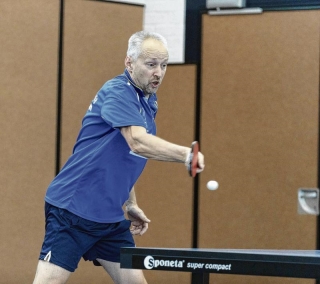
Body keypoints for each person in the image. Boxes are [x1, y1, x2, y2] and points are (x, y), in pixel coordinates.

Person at [33, 30, 205, 284]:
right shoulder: (118, 92)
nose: (159, 72)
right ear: (129, 62)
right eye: (151, 64)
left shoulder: (146, 100)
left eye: (164, 64)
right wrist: (185, 155)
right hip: (73, 209)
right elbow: (137, 142)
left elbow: (123, 156)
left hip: (111, 220)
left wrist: (130, 203)